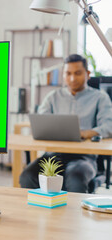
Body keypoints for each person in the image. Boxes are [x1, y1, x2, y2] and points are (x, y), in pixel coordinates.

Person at [19, 54, 112, 193]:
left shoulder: (100, 98)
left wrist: (86, 133)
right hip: (52, 155)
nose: (72, 78)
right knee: (27, 176)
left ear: (87, 74)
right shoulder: (53, 97)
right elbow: (41, 122)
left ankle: (72, 215)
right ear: (63, 75)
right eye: (68, 74)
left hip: (83, 157)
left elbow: (109, 126)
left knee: (75, 178)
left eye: (78, 73)